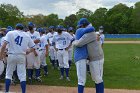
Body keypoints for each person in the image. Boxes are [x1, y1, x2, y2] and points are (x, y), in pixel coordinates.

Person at [0, 23, 35, 93]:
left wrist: (1, 56)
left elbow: (3, 46)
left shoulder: (10, 33)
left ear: (16, 28)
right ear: (22, 29)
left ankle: (6, 91)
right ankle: (23, 92)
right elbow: (33, 48)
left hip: (11, 55)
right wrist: (28, 51)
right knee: (22, 75)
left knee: (8, 74)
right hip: (21, 55)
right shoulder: (26, 35)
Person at [73, 18, 95, 93]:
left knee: (82, 79)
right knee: (81, 79)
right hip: (80, 57)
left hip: (81, 57)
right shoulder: (79, 30)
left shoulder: (81, 31)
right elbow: (92, 28)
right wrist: (89, 25)